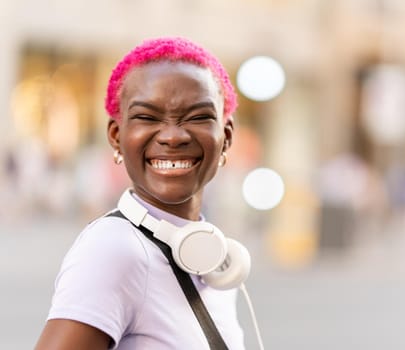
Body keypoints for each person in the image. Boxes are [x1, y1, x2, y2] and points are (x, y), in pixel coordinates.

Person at [35, 37, 247, 349]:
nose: (173, 136)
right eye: (147, 117)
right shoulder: (113, 250)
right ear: (117, 137)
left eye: (198, 116)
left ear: (226, 138)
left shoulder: (214, 264)